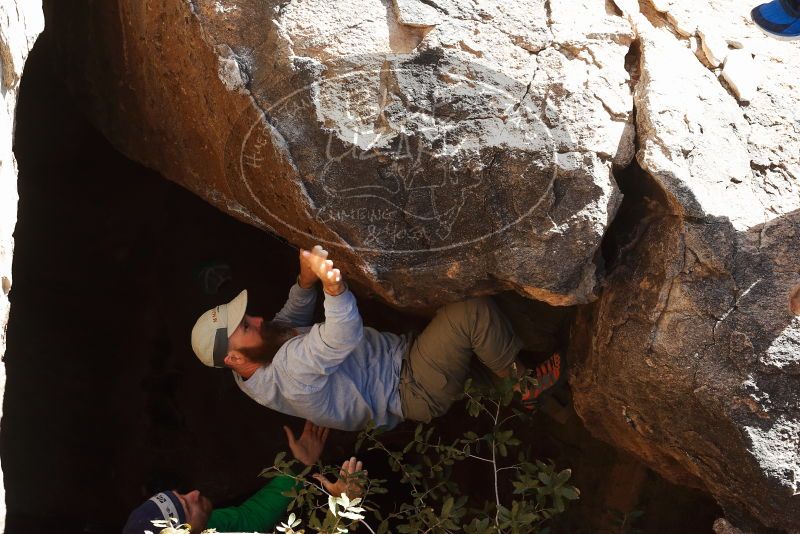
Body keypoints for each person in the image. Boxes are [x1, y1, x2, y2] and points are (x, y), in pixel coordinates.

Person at [191, 245, 563, 432]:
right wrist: (333, 287)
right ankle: (526, 386)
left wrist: (305, 281)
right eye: (244, 327)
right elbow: (341, 335)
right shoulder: (289, 371)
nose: (256, 319)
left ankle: (546, 404)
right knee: (470, 315)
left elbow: (284, 325)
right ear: (233, 359)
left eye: (246, 317)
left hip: (400, 380)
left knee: (487, 374)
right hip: (409, 384)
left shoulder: (250, 370)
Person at [122, 421, 364, 533]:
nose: (195, 493)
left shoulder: (208, 525)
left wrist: (300, 466)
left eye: (181, 494)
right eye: (186, 506)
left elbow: (249, 519)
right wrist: (344, 509)